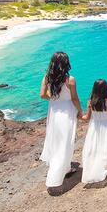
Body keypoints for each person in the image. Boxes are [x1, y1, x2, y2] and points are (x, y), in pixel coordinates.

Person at [39, 51, 83, 193]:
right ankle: (54, 180)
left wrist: (54, 97)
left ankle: (65, 168)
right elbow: (75, 98)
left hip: (54, 111)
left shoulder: (47, 78)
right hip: (67, 111)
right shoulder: (70, 80)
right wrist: (80, 111)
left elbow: (42, 95)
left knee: (57, 141)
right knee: (65, 143)